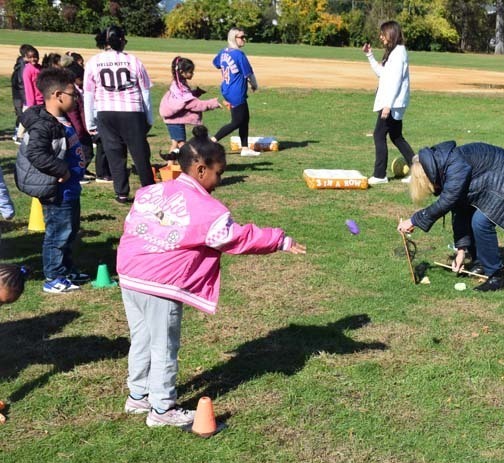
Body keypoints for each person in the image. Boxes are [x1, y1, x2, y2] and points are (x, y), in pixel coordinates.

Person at [116, 126, 306, 428]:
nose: (220, 180)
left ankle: (138, 395)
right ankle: (162, 409)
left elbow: (132, 225)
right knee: (163, 345)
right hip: (159, 283)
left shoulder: (151, 191)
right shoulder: (207, 209)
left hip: (130, 274)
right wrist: (278, 240)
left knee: (142, 337)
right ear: (201, 169)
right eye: (219, 173)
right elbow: (236, 238)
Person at [397, 141, 504, 292]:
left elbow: (447, 201)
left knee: (480, 222)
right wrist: (461, 251)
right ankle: (481, 262)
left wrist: (413, 220)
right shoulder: (443, 166)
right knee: (470, 213)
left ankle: (497, 275)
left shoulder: (454, 166)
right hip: (493, 179)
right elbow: (460, 210)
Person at [15, 68, 90, 293]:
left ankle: (67, 269)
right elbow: (36, 153)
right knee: (58, 234)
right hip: (57, 190)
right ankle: (53, 276)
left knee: (70, 230)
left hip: (70, 188)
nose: (77, 99)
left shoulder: (61, 118)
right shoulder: (44, 124)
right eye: (73, 95)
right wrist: (62, 170)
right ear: (58, 95)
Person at [84, 26, 155, 204]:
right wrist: (149, 118)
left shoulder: (93, 62)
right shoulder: (133, 61)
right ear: (121, 41)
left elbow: (89, 94)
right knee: (140, 155)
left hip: (105, 112)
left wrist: (90, 121)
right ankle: (149, 189)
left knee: (114, 155)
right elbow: (145, 91)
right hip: (132, 111)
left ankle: (121, 192)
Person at [362, 20, 415, 185]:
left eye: (383, 34)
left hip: (392, 103)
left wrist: (388, 105)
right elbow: (382, 73)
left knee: (379, 134)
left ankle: (379, 175)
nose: (381, 37)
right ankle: (418, 171)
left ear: (391, 34)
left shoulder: (399, 54)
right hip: (392, 102)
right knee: (396, 137)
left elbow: (396, 82)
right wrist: (369, 55)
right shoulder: (394, 53)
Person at [159, 56, 220, 160]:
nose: (192, 74)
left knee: (175, 143)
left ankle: (170, 165)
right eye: (190, 72)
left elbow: (186, 98)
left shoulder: (179, 84)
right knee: (182, 145)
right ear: (181, 72)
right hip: (174, 120)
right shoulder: (180, 88)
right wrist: (212, 104)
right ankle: (190, 163)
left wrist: (195, 93)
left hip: (174, 119)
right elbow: (194, 104)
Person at [212, 28, 260, 157]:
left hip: (227, 89)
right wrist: (254, 85)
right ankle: (212, 141)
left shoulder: (223, 52)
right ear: (234, 38)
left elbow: (216, 63)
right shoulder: (239, 54)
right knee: (237, 121)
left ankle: (245, 148)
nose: (244, 39)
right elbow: (249, 73)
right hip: (236, 92)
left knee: (245, 119)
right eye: (241, 37)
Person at [12, 45, 34, 144]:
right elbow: (22, 82)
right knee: (23, 113)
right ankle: (19, 135)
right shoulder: (23, 65)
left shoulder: (21, 63)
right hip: (22, 94)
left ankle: (18, 133)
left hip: (20, 93)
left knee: (21, 113)